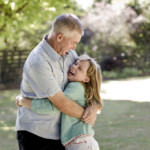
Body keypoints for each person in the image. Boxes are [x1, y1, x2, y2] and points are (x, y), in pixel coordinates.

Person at [15, 13, 99, 150]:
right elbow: (62, 104)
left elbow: (86, 84)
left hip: (61, 135)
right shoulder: (38, 62)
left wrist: (94, 106)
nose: (74, 48)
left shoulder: (70, 55)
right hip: (35, 134)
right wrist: (87, 115)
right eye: (73, 42)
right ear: (60, 37)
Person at [17, 54, 102, 150]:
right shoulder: (81, 88)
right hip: (82, 142)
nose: (73, 66)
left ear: (86, 79)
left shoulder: (76, 87)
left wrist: (24, 101)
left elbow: (54, 105)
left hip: (80, 143)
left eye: (79, 68)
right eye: (75, 63)